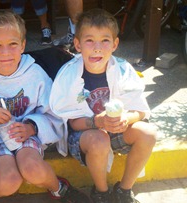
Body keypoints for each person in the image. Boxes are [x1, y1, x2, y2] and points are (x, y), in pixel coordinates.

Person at [0, 9, 91, 203]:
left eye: (13, 44)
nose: (6, 53)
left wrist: (32, 126)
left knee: (32, 169)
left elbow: (54, 113)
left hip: (26, 135)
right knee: (9, 180)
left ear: (23, 45)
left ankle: (59, 188)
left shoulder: (35, 74)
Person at [49, 9, 157, 203]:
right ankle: (101, 192)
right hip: (85, 134)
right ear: (77, 44)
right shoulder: (69, 75)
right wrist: (97, 121)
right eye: (89, 40)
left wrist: (127, 118)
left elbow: (140, 110)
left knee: (148, 133)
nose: (97, 48)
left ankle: (124, 190)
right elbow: (72, 122)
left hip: (116, 129)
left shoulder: (123, 69)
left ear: (115, 44)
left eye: (105, 40)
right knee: (99, 139)